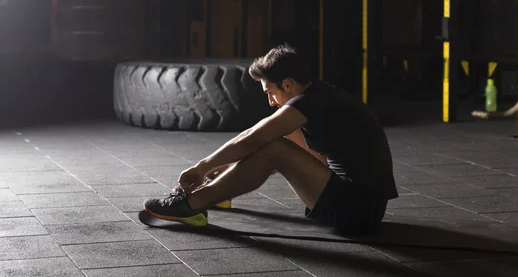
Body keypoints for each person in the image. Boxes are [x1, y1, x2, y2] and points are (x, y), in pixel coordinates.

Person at [143, 44, 398, 235]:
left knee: (273, 147)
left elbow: (252, 137)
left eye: (270, 92)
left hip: (357, 212)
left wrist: (202, 166)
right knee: (278, 139)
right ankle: (217, 191)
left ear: (287, 84)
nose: (270, 101)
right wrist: (219, 171)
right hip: (360, 207)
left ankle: (190, 205)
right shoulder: (322, 97)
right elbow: (310, 158)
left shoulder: (310, 102)